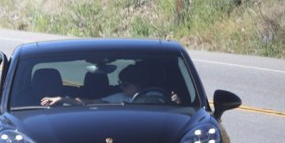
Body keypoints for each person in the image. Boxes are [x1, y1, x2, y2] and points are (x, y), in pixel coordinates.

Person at [40, 64, 180, 106]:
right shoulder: (120, 97)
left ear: (138, 84)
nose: (121, 87)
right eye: (120, 84)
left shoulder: (159, 97)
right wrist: (62, 99)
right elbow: (91, 102)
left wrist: (178, 103)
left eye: (125, 84)